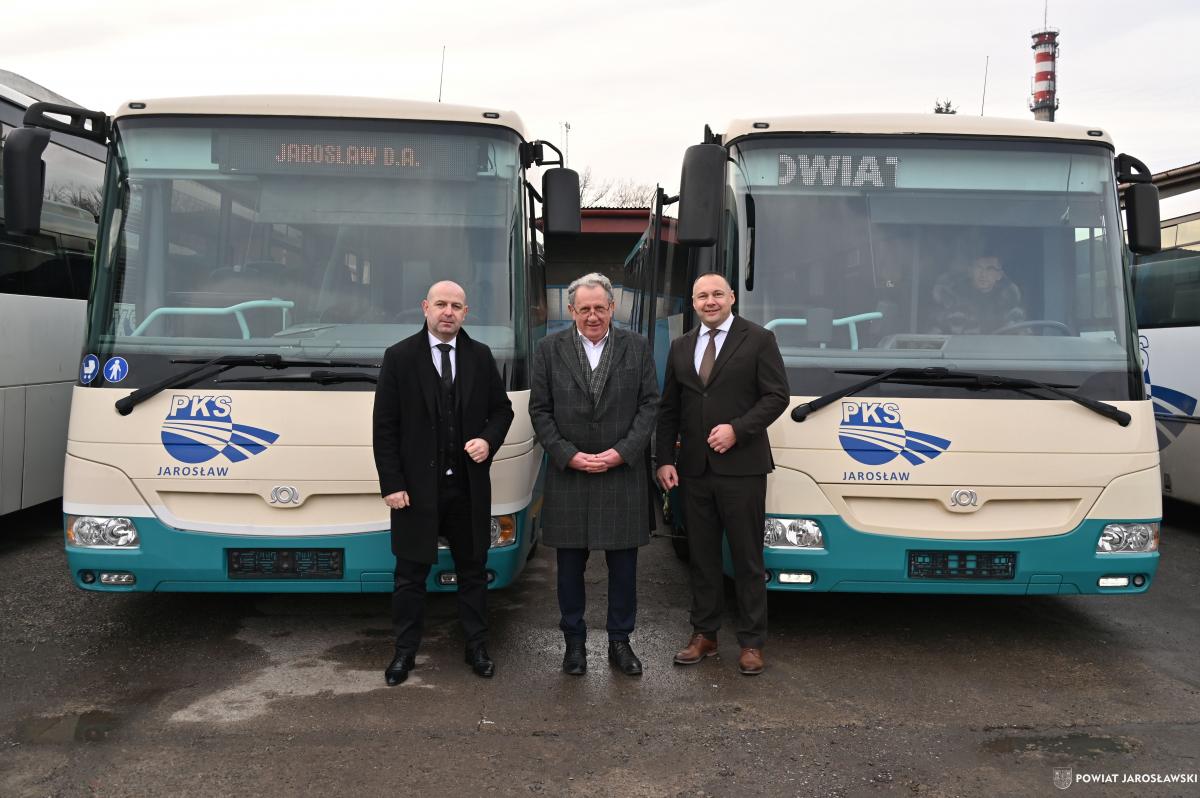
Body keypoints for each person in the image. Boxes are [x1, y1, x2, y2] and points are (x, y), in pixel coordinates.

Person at [372, 280, 514, 686]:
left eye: (456, 306)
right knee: (409, 576)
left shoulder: (480, 356)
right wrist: (392, 484)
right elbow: (385, 427)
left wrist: (488, 440)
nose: (448, 312)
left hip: (467, 488)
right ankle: (404, 652)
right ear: (425, 308)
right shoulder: (399, 357)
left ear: (466, 313)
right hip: (415, 491)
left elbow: (501, 411)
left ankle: (477, 647)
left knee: (474, 572)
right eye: (441, 304)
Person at [655, 272, 789, 676]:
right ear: (693, 302)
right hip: (694, 471)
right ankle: (705, 635)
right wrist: (664, 460)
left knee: (747, 558)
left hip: (743, 468)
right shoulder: (681, 346)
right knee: (702, 558)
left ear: (731, 297)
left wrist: (738, 429)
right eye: (702, 296)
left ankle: (751, 643)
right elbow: (669, 409)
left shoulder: (759, 339)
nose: (709, 301)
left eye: (717, 294)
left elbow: (776, 396)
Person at [529, 272, 659, 677]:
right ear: (571, 310)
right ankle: (574, 644)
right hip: (570, 476)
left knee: (624, 570)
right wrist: (568, 456)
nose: (592, 316)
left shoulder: (637, 347)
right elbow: (540, 411)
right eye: (584, 309)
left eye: (599, 308)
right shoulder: (548, 350)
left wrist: (622, 453)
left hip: (622, 475)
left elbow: (650, 405)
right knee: (569, 571)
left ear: (612, 307)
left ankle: (620, 642)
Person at [929, 254, 1026, 335]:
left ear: (999, 275)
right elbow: (933, 337)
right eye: (978, 268)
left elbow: (1023, 338)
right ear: (970, 271)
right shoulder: (951, 301)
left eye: (990, 269)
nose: (983, 274)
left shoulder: (1009, 306)